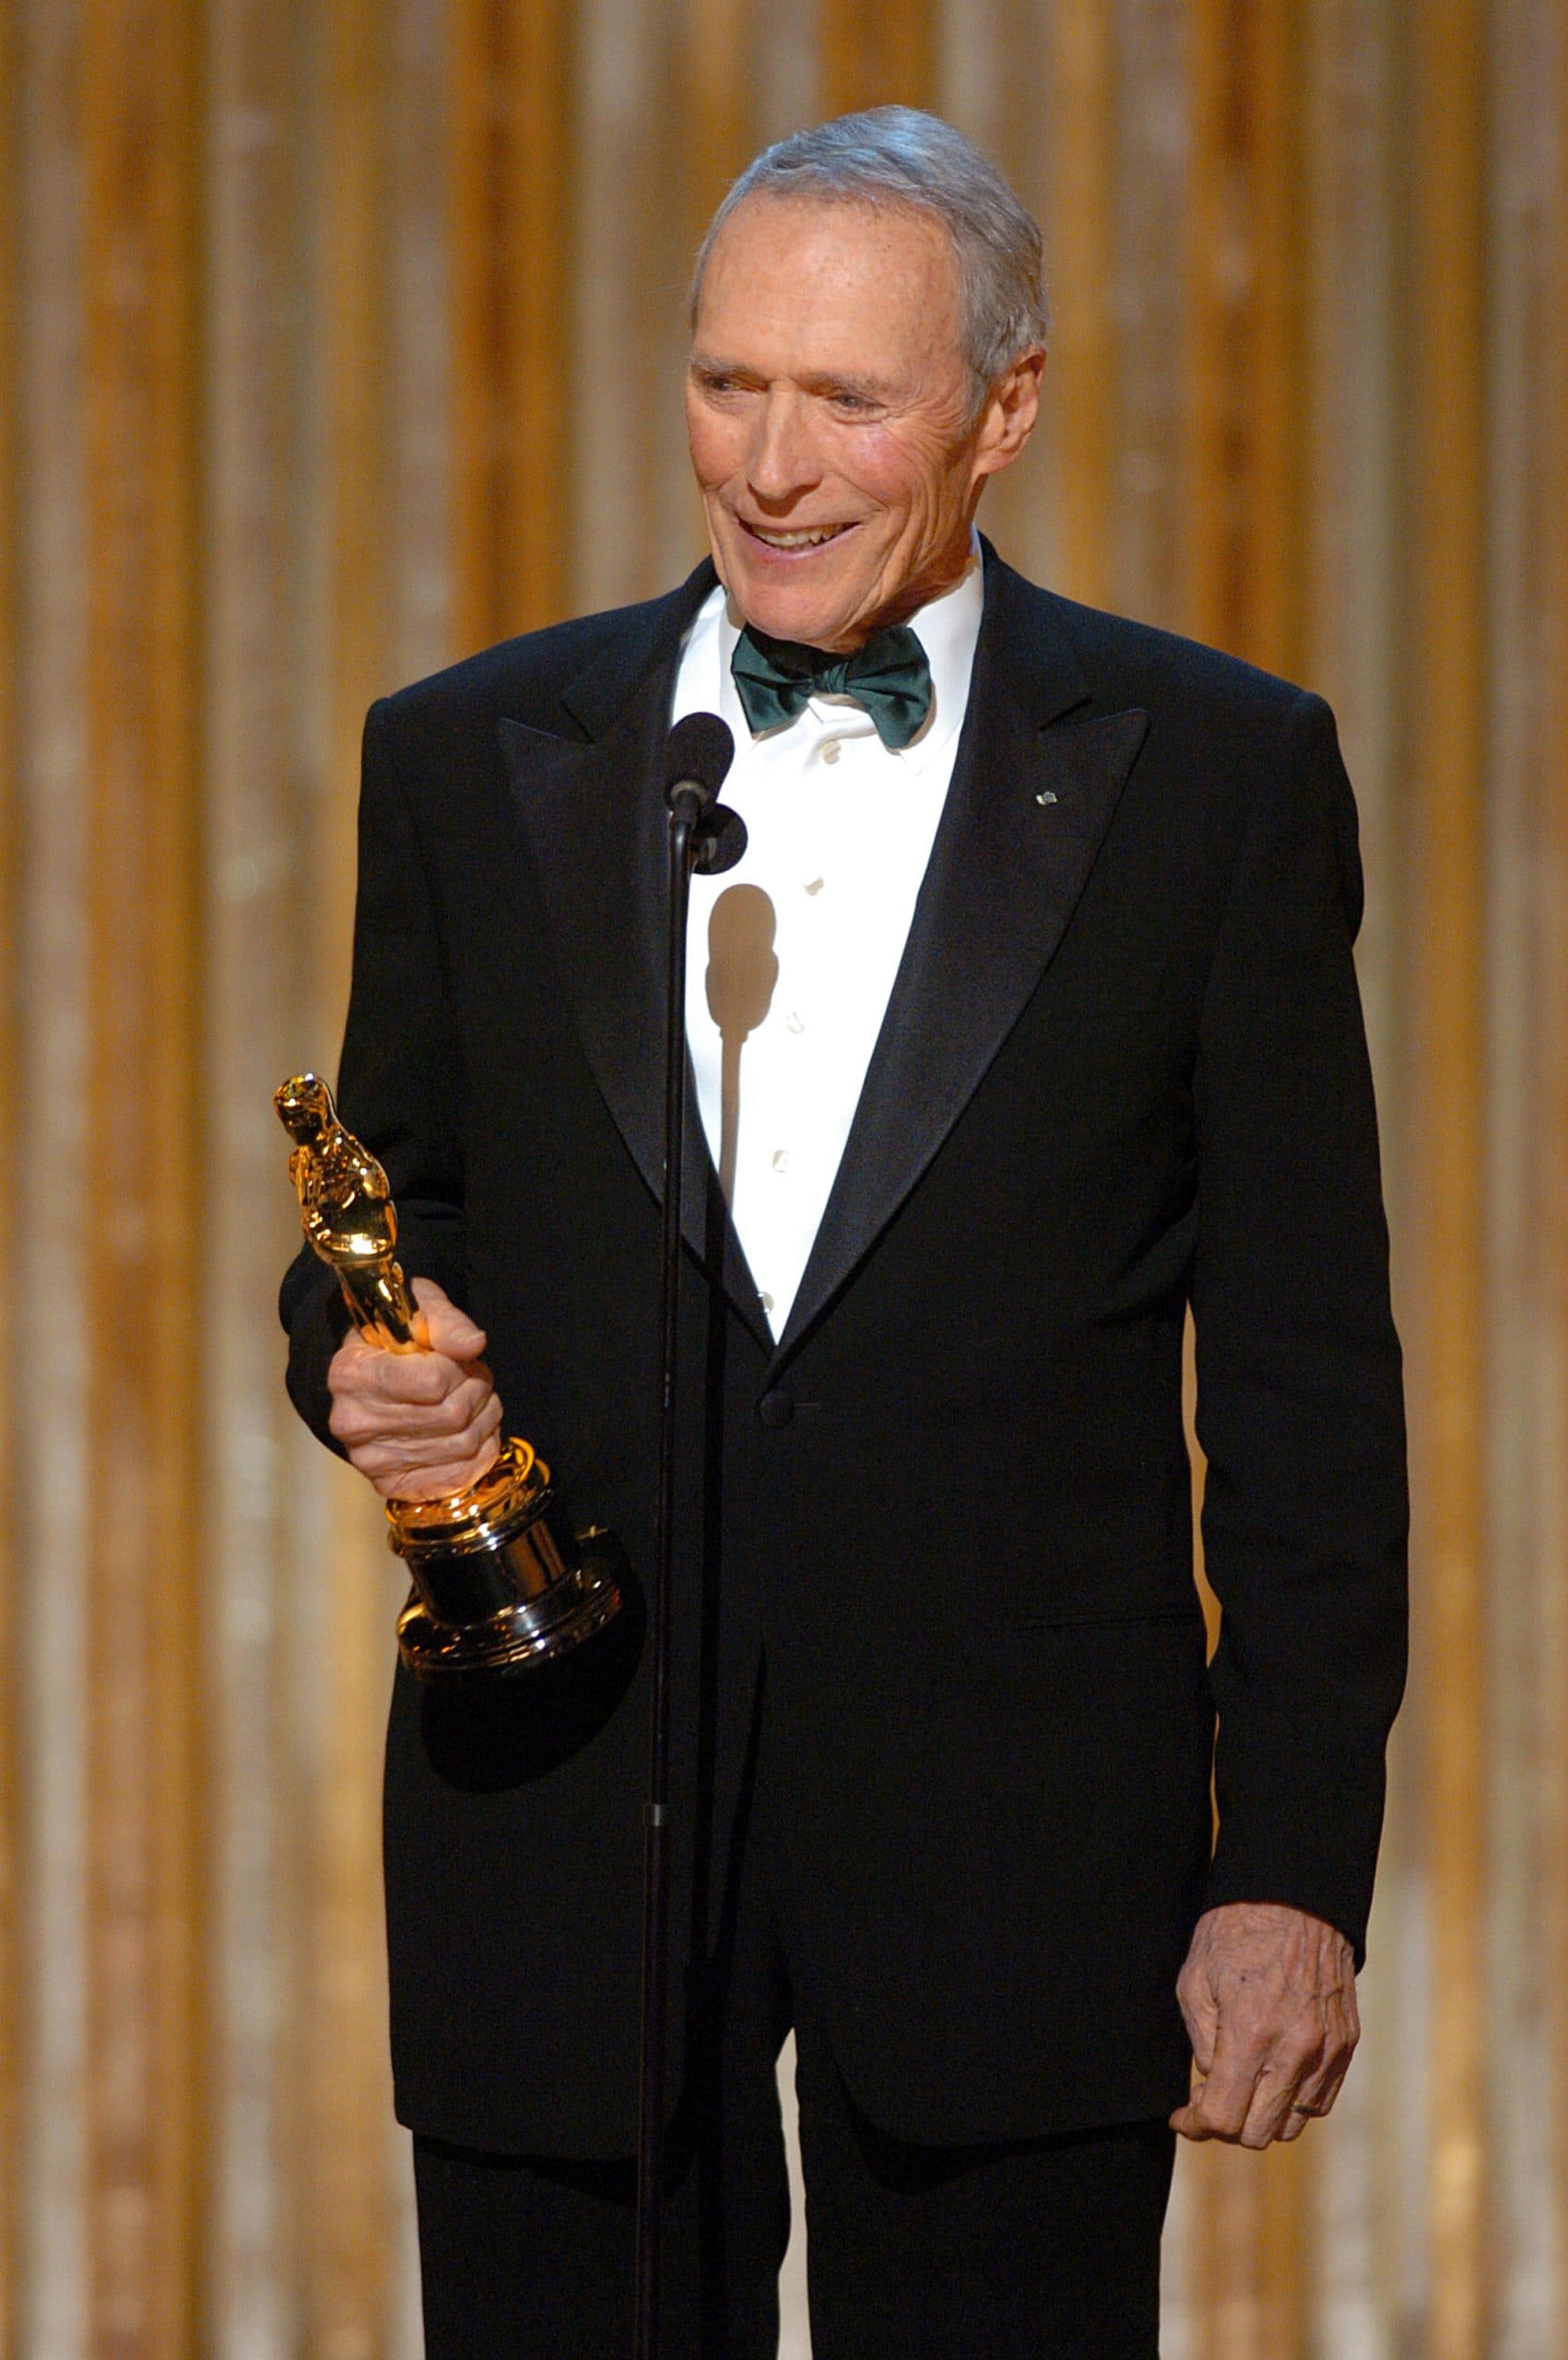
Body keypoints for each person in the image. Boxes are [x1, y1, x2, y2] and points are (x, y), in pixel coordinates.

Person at [280, 106, 1407, 2359]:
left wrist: (1280, 1865)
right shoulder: (474, 752)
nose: (768, 465)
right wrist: (358, 1365)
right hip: (563, 1823)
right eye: (726, 384)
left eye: (846, 400)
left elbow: (1300, 1383)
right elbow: (374, 1221)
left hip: (1019, 1870)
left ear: (1002, 409)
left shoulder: (1211, 776)